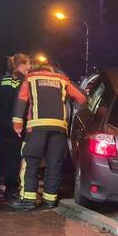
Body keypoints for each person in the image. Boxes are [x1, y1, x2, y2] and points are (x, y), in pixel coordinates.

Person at [9, 60, 86, 210]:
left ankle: (27, 200)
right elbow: (82, 97)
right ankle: (50, 200)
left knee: (31, 162)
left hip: (37, 127)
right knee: (54, 164)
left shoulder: (30, 78)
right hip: (59, 128)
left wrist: (17, 124)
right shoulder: (62, 80)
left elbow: (21, 100)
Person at [0, 54, 30, 199]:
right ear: (22, 64)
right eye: (28, 64)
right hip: (17, 124)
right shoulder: (24, 81)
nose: (29, 67)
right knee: (15, 156)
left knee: (2, 154)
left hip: (2, 124)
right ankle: (12, 187)